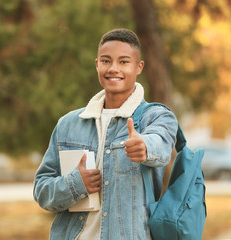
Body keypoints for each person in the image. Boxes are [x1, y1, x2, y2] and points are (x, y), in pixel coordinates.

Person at [33, 28, 178, 240]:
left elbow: (161, 145)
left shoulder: (156, 117)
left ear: (139, 67)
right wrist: (75, 185)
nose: (113, 69)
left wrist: (144, 147)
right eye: (106, 60)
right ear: (97, 64)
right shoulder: (68, 124)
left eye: (124, 62)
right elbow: (41, 191)